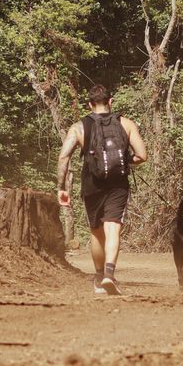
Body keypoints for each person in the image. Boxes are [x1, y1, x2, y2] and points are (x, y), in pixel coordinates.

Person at [57, 84, 147, 296]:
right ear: (110, 102)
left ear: (89, 104)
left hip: (92, 185)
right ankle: (109, 274)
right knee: (113, 228)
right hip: (118, 184)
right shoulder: (126, 123)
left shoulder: (79, 127)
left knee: (96, 232)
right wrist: (124, 162)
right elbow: (142, 155)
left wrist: (62, 187)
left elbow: (64, 157)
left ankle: (99, 278)